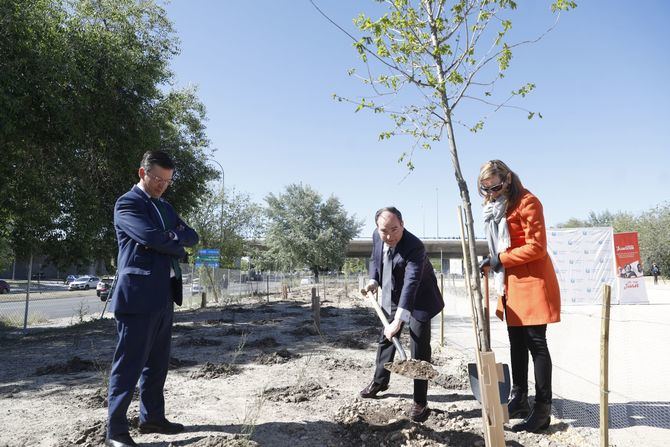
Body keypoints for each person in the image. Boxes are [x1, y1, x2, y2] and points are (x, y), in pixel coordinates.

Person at [106, 151, 199, 447]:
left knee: (157, 364)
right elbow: (150, 237)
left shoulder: (165, 207)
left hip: (163, 296)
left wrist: (170, 238)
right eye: (157, 178)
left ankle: (152, 418)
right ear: (142, 173)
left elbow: (192, 236)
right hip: (136, 296)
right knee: (129, 364)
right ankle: (116, 431)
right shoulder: (128, 203)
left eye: (167, 181)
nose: (162, 185)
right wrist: (174, 240)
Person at [477, 160, 560, 433]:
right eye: (486, 189)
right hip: (511, 283)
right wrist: (492, 262)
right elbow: (500, 244)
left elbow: (537, 247)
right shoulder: (498, 207)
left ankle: (543, 409)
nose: (492, 193)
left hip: (533, 281)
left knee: (536, 344)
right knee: (515, 343)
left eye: (497, 187)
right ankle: (519, 398)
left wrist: (499, 258)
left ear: (508, 179)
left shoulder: (528, 202)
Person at [359, 207, 444, 422]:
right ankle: (380, 381)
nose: (389, 236)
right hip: (394, 295)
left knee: (419, 347)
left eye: (394, 230)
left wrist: (399, 320)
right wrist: (373, 280)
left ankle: (420, 401)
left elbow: (411, 283)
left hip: (420, 299)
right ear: (377, 228)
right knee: (386, 338)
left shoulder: (414, 246)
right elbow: (374, 259)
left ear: (402, 224)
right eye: (384, 231)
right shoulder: (378, 236)